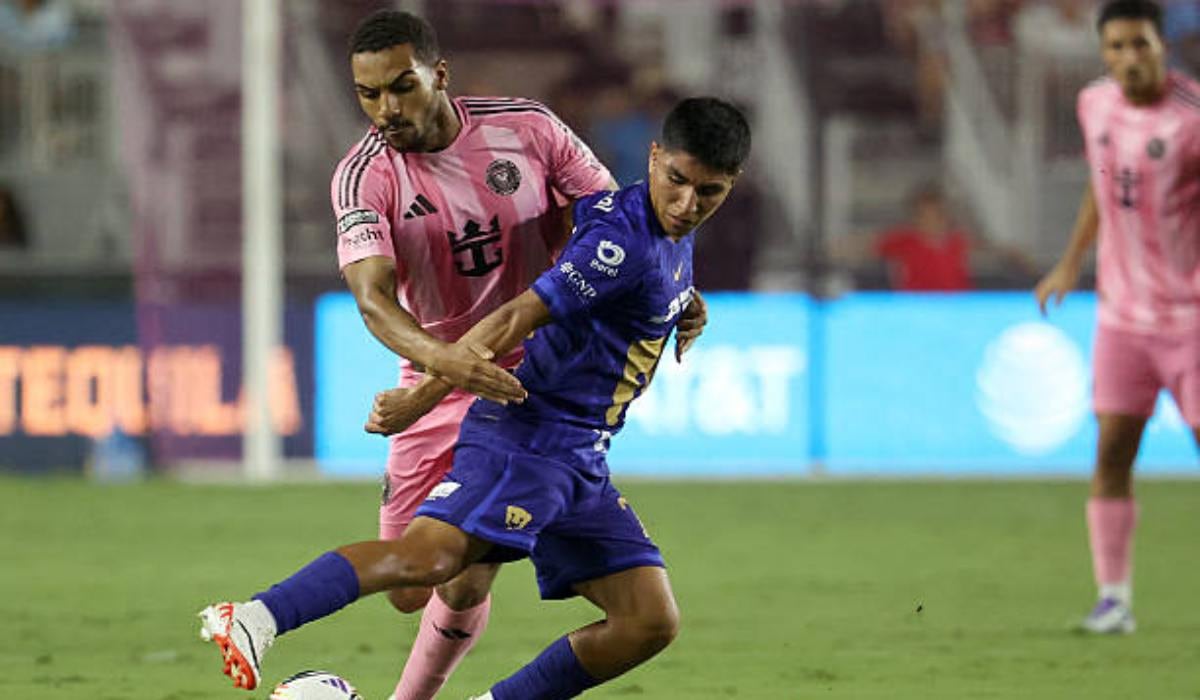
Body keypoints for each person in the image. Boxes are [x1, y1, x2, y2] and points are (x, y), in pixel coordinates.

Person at [197, 97, 751, 698]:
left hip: (579, 458)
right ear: (654, 157)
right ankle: (255, 617)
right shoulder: (621, 245)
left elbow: (638, 273)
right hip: (528, 440)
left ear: (731, 185)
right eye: (676, 181)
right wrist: (424, 397)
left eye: (709, 193)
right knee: (424, 564)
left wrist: (683, 304)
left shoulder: (660, 232)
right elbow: (513, 318)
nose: (686, 203)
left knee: (648, 621)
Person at [319, 11, 707, 700]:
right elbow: (375, 302)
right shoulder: (363, 178)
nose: (386, 108)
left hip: (538, 371)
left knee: (469, 565)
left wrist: (676, 288)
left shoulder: (525, 127)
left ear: (437, 76)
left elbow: (621, 219)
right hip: (439, 365)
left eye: (400, 87)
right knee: (412, 586)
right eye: (368, 94)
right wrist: (443, 369)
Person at [1035, 0, 1200, 635]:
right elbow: (1104, 186)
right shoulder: (1094, 104)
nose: (1130, 59)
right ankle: (1113, 600)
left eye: (1142, 46)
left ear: (1165, 46)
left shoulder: (1190, 120)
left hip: (1190, 320)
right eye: (1118, 48)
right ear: (1104, 52)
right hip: (1122, 320)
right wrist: (1070, 262)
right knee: (1111, 455)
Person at [831, 184, 1035, 291]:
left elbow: (989, 248)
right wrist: (837, 250)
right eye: (924, 215)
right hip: (919, 308)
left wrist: (1015, 254)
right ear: (915, 217)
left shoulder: (957, 240)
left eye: (936, 215)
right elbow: (867, 245)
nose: (931, 221)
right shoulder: (904, 240)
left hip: (956, 307)